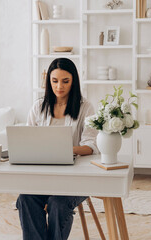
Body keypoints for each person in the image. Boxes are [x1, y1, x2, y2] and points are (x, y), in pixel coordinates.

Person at [16, 58, 98, 240]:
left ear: (73, 81)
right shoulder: (38, 106)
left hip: (75, 179)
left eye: (65, 81)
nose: (59, 86)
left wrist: (63, 149)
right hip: (43, 177)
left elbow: (91, 146)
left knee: (58, 203)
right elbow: (27, 140)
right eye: (54, 81)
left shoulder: (86, 107)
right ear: (48, 81)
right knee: (25, 199)